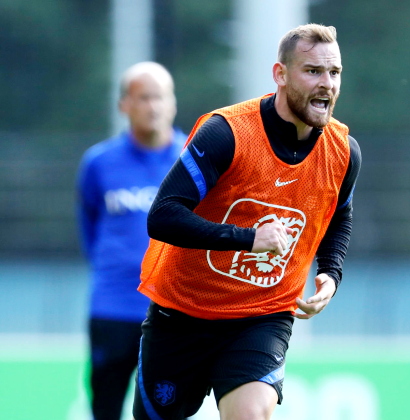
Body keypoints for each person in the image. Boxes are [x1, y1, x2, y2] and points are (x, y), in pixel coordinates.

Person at [133, 23, 362, 420]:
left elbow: (339, 212)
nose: (326, 84)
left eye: (334, 73)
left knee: (252, 415)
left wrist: (331, 272)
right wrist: (247, 238)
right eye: (312, 71)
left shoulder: (344, 151)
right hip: (183, 311)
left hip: (261, 316)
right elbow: (163, 216)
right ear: (281, 74)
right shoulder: (226, 133)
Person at [76, 62, 187, 420]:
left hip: (173, 311)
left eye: (160, 97)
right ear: (124, 104)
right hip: (112, 308)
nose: (153, 106)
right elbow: (89, 226)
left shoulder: (194, 160)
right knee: (105, 408)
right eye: (143, 98)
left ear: (173, 103)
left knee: (166, 411)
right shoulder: (99, 163)